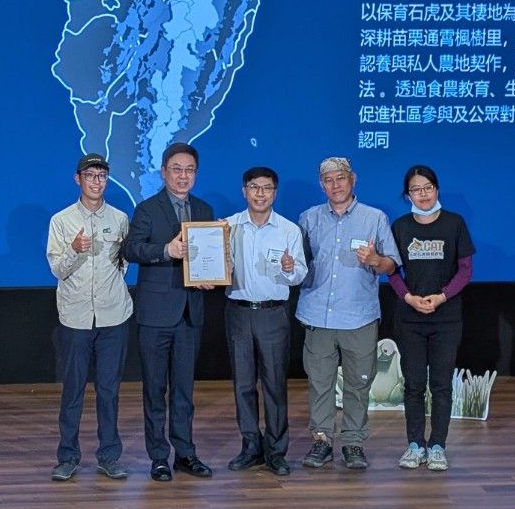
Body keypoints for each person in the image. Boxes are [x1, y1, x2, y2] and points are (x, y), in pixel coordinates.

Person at [296, 156, 400, 471]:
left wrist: (375, 260)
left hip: (359, 316)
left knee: (358, 383)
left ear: (352, 180)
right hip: (317, 315)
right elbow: (299, 265)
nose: (335, 185)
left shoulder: (375, 218)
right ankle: (322, 440)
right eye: (328, 180)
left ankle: (353, 442)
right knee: (320, 383)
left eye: (340, 178)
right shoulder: (308, 218)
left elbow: (391, 264)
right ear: (321, 185)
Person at [123, 142, 215, 482]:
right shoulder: (147, 209)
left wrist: (210, 275)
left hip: (191, 313)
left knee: (184, 391)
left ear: (196, 174)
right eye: (176, 169)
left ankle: (185, 453)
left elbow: (209, 254)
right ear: (164, 172)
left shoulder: (204, 209)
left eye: (189, 170)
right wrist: (166, 250)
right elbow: (131, 249)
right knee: (154, 390)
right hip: (155, 315)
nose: (183, 176)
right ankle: (159, 457)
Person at [46, 153, 133, 482]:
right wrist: (74, 249)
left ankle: (109, 456)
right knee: (73, 390)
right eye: (90, 175)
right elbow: (57, 269)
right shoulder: (61, 220)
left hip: (113, 317)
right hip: (76, 318)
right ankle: (68, 457)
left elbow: (123, 266)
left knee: (109, 391)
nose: (96, 181)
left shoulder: (120, 219)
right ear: (77, 179)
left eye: (102, 176)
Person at [388, 165, 475, 472]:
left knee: (441, 385)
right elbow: (391, 271)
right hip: (409, 319)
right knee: (413, 384)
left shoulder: (455, 223)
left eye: (427, 188)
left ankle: (438, 445)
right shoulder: (400, 227)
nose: (422, 194)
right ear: (407, 195)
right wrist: (408, 297)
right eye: (416, 189)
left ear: (437, 189)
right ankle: (415, 445)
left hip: (446, 318)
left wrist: (442, 296)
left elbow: (465, 270)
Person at [224, 166, 307, 476]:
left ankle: (276, 450)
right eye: (254, 187)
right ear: (244, 191)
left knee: (274, 384)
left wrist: (288, 267)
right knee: (243, 384)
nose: (260, 193)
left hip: (273, 313)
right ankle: (250, 446)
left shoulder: (289, 230)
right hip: (238, 311)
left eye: (267, 188)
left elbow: (300, 274)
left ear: (275, 193)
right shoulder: (227, 226)